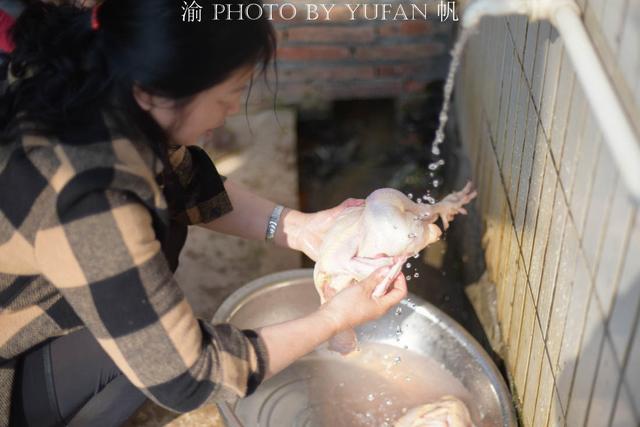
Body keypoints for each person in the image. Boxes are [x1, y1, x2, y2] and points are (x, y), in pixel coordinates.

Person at [0, 1, 409, 425]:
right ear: (154, 91)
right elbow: (186, 375)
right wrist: (335, 318)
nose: (233, 110)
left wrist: (300, 229)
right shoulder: (90, 197)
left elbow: (183, 178)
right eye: (228, 95)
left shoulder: (90, 69)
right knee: (141, 354)